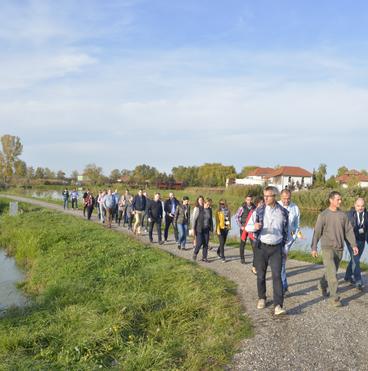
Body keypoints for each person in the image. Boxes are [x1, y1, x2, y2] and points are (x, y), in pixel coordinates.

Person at [246, 186, 289, 316]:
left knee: (277, 276)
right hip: (261, 247)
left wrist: (285, 248)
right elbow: (247, 227)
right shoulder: (259, 211)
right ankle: (262, 298)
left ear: (274, 196)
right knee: (261, 275)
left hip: (276, 248)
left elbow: (287, 231)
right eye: (264, 196)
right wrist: (255, 226)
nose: (265, 198)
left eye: (268, 196)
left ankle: (278, 305)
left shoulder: (283, 212)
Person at [311, 191, 358, 307]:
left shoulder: (343, 215)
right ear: (331, 200)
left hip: (339, 248)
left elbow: (349, 231)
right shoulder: (323, 215)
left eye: (340, 199)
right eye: (338, 199)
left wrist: (354, 245)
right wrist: (314, 247)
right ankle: (335, 299)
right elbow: (317, 232)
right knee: (333, 275)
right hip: (327, 247)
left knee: (331, 272)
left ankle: (322, 284)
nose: (340, 201)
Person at [278, 189, 301, 295]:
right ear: (280, 197)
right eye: (284, 198)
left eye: (288, 198)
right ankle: (283, 286)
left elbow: (297, 225)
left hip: (287, 240)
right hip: (276, 239)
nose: (286, 201)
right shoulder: (275, 206)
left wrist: (294, 236)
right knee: (279, 263)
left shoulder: (295, 208)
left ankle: (283, 286)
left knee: (282, 262)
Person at [344, 197, 368, 290]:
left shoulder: (366, 215)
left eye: (362, 206)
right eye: (358, 206)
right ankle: (358, 281)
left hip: (361, 241)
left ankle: (347, 276)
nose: (360, 208)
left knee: (355, 259)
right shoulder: (349, 215)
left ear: (364, 206)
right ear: (355, 205)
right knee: (356, 260)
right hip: (351, 241)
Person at [242, 196, 264, 274]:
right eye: (261, 203)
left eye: (263, 202)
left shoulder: (265, 212)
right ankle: (254, 268)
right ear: (257, 204)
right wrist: (243, 236)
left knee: (259, 253)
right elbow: (247, 225)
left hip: (262, 237)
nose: (262, 204)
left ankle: (256, 267)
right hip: (253, 236)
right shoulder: (253, 212)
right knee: (256, 252)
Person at [236, 195, 255, 264]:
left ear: (252, 200)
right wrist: (240, 226)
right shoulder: (242, 208)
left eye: (250, 200)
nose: (249, 201)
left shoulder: (254, 208)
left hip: (252, 229)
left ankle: (255, 260)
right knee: (242, 243)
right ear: (245, 200)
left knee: (254, 244)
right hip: (244, 228)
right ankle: (242, 258)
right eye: (248, 200)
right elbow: (237, 217)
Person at [192, 198, 213, 262]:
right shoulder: (199, 209)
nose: (208, 206)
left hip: (206, 229)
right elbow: (194, 220)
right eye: (207, 204)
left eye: (209, 205)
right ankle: (195, 253)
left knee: (206, 243)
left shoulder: (209, 210)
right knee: (199, 242)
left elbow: (210, 219)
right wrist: (193, 229)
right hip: (199, 229)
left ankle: (204, 257)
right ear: (204, 203)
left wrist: (211, 228)